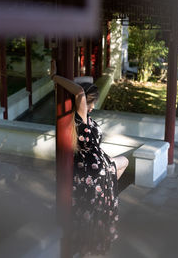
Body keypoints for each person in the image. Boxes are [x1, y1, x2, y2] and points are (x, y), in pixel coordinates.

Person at [50, 60, 129, 257]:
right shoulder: (81, 116)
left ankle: (103, 190)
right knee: (124, 163)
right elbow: (78, 91)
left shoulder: (83, 119)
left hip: (96, 163)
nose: (92, 107)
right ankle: (103, 190)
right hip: (94, 166)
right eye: (92, 102)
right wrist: (55, 77)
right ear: (87, 100)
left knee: (119, 166)